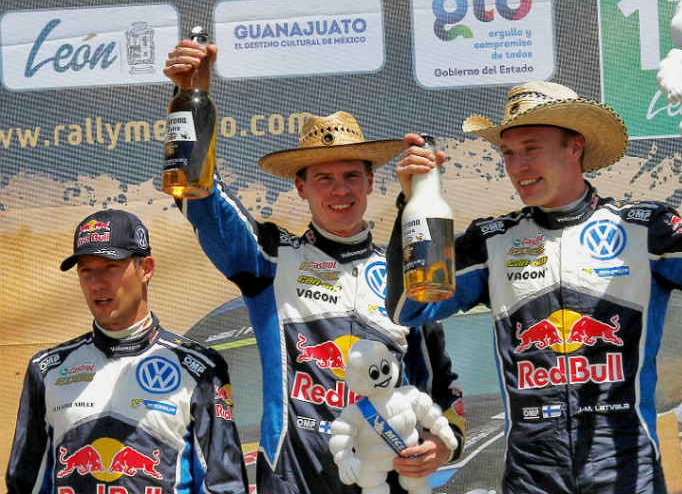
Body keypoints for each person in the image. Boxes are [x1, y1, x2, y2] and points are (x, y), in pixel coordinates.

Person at [386, 81, 682, 494]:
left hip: (626, 472)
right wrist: (412, 205)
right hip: (532, 478)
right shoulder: (492, 240)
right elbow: (410, 308)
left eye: (531, 149)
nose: (517, 166)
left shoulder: (642, 228)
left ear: (575, 147)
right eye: (509, 153)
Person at [163, 40, 465, 494]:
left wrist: (443, 444)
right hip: (293, 479)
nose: (340, 191)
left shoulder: (406, 273)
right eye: (324, 178)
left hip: (384, 481)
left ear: (370, 181)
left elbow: (440, 382)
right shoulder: (271, 259)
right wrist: (191, 97)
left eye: (350, 176)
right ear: (300, 187)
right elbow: (202, 201)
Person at [5, 209, 249, 494]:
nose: (97, 284)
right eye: (86, 270)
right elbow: (23, 486)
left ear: (146, 269)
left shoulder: (200, 369)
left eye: (110, 267)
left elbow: (225, 486)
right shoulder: (47, 370)